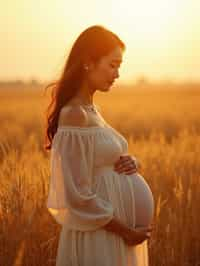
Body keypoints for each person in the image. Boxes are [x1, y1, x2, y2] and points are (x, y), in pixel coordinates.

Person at [44, 25, 155, 266]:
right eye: (112, 65)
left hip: (113, 232)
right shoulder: (75, 114)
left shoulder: (92, 111)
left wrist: (133, 162)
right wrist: (125, 230)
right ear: (88, 62)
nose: (117, 74)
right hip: (101, 235)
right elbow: (77, 195)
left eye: (119, 67)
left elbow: (105, 161)